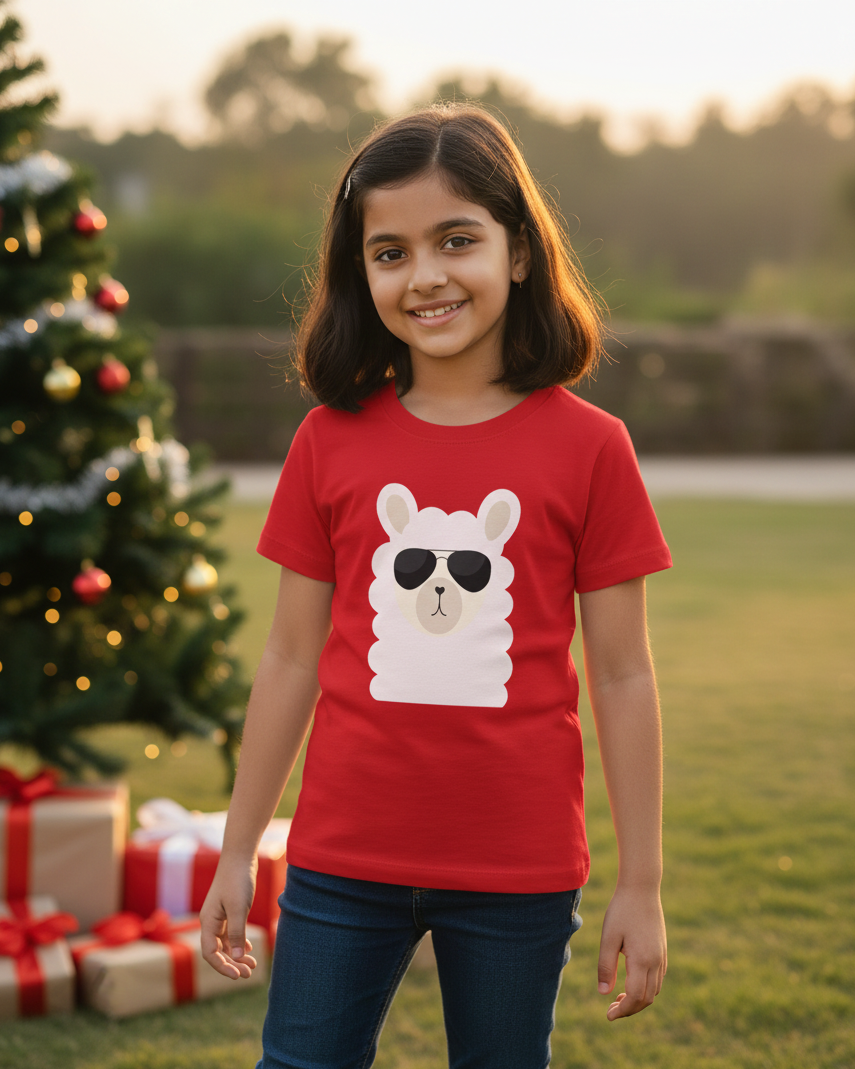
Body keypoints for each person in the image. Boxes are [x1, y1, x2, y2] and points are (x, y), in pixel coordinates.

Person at [200, 103, 671, 1069]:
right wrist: (239, 846)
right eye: (389, 251)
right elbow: (290, 654)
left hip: (519, 870)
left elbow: (623, 677)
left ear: (520, 251)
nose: (424, 276)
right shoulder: (328, 441)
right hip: (339, 862)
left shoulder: (591, 448)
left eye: (456, 239)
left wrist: (643, 882)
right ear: (358, 271)